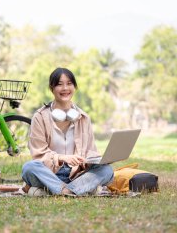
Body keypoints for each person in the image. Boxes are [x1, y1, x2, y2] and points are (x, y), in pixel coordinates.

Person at [22, 67, 114, 196]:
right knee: (29, 168)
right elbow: (38, 154)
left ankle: (59, 190)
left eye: (69, 83)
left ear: (74, 87)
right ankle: (77, 190)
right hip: (49, 173)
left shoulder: (83, 117)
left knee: (106, 170)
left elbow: (90, 151)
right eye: (59, 84)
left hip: (76, 175)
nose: (65, 88)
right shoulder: (40, 117)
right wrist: (62, 158)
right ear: (51, 88)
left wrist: (96, 160)